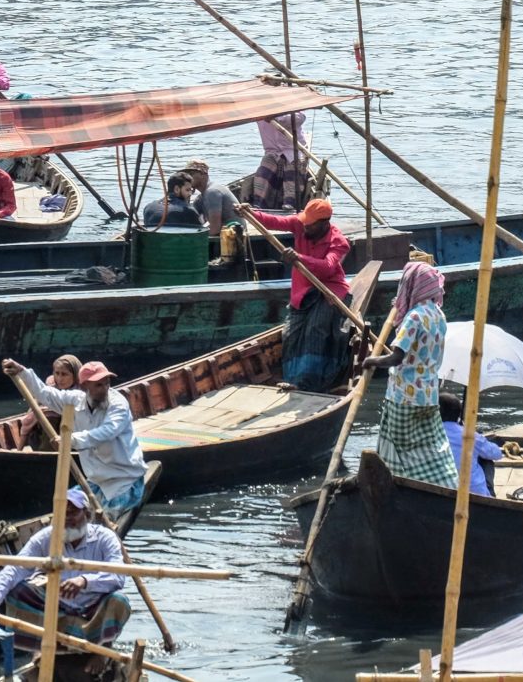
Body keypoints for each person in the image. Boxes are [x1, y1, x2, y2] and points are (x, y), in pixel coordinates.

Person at [0, 487, 127, 634]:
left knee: (119, 601)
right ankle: (43, 643)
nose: (65, 519)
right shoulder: (46, 537)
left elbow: (117, 577)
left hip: (94, 604)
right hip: (57, 605)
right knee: (18, 590)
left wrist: (84, 581)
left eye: (72, 513)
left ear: (87, 515)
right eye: (61, 513)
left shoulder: (105, 538)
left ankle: (99, 652)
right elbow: (16, 568)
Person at [364, 260, 457, 486]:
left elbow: (397, 357)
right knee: (430, 449)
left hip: (403, 397)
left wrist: (371, 361)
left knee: (397, 448)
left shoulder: (415, 317)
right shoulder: (438, 314)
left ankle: (398, 487)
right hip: (428, 396)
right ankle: (447, 483)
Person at [250, 198, 355, 391]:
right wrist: (250, 213)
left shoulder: (339, 242)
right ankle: (291, 379)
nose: (304, 226)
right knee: (290, 334)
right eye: (304, 222)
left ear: (324, 223)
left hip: (329, 292)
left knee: (315, 330)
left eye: (310, 225)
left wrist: (299, 258)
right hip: (303, 293)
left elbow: (328, 268)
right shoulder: (301, 224)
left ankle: (307, 383)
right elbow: (274, 222)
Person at [72, 361, 150, 511]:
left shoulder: (118, 403)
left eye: (106, 383)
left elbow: (108, 431)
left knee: (107, 515)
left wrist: (73, 440)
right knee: (67, 504)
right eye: (99, 385)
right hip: (98, 479)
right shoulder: (77, 400)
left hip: (125, 480)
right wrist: (22, 373)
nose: (105, 388)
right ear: (85, 386)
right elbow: (46, 394)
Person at [441, 391, 503, 497]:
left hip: (441, 489)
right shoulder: (469, 435)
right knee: (486, 459)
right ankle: (490, 497)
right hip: (475, 493)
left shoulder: (430, 434)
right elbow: (497, 454)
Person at [249, 109, 311, 208]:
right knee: (263, 172)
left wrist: (277, 118)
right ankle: (258, 203)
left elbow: (300, 118)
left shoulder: (291, 105)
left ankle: (290, 203)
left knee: (293, 170)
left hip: (293, 149)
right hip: (273, 152)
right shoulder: (258, 108)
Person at [182, 160, 238, 232]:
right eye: (187, 175)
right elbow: (189, 220)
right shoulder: (200, 198)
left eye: (191, 174)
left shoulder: (212, 192)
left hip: (233, 235)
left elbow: (215, 229)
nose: (188, 178)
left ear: (203, 174)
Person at [139, 171, 203, 229]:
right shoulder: (188, 210)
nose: (190, 194)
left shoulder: (149, 207)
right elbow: (200, 232)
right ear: (176, 189)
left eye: (191, 190)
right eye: (187, 190)